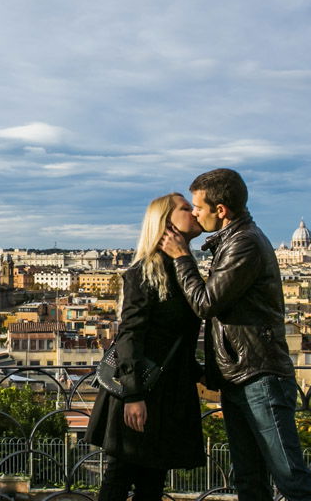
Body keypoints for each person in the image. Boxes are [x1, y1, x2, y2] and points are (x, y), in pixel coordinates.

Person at [160, 168, 311, 501]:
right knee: (249, 480)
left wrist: (181, 257)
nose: (193, 213)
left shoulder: (243, 243)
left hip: (259, 376)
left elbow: (205, 303)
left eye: (198, 207)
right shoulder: (236, 239)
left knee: (291, 479)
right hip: (242, 375)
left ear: (221, 210)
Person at [86, 192, 205, 501]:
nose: (193, 212)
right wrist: (134, 395)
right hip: (141, 392)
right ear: (166, 223)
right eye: (185, 208)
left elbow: (180, 338)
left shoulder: (183, 270)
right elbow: (129, 335)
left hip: (168, 393)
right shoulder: (144, 273)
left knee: (152, 483)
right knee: (119, 478)